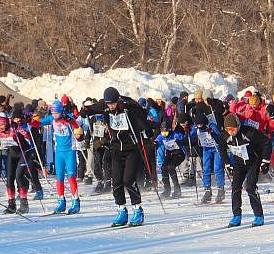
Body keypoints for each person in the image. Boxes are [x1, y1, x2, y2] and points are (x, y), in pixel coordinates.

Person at [81, 87, 150, 227]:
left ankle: (137, 209)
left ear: (118, 100)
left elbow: (140, 113)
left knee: (128, 180)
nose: (111, 106)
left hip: (131, 149)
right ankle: (121, 210)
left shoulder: (127, 106)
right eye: (108, 104)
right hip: (116, 149)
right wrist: (86, 110)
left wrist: (143, 126)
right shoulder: (105, 105)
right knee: (116, 182)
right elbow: (92, 109)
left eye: (113, 103)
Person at [218, 112, 271, 228]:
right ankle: (236, 215)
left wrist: (265, 162)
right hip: (239, 163)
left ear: (238, 126)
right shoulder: (225, 136)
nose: (231, 132)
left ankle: (258, 215)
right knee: (235, 187)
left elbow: (266, 143)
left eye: (233, 129)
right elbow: (221, 148)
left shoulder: (249, 132)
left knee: (250, 187)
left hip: (253, 161)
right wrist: (227, 163)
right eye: (228, 129)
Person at [38, 100, 82, 215]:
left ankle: (75, 201)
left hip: (70, 150)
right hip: (59, 152)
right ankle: (61, 200)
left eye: (56, 113)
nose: (54, 115)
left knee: (71, 176)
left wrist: (71, 120)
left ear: (61, 111)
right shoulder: (52, 119)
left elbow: (77, 127)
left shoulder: (68, 117)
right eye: (53, 113)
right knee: (59, 176)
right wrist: (28, 120)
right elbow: (38, 123)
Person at [192, 112, 225, 203]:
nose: (199, 127)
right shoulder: (196, 127)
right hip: (206, 149)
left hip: (216, 148)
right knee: (206, 169)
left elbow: (219, 138)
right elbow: (191, 137)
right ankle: (207, 190)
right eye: (198, 125)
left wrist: (212, 133)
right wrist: (187, 133)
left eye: (201, 125)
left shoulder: (211, 125)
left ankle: (221, 189)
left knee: (217, 168)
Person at [155, 118, 186, 199]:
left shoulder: (175, 135)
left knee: (170, 167)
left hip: (179, 154)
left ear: (169, 130)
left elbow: (184, 139)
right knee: (163, 168)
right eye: (162, 132)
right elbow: (156, 141)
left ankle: (177, 190)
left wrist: (181, 141)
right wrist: (155, 144)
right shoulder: (161, 136)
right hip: (170, 154)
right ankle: (167, 190)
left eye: (166, 132)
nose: (164, 134)